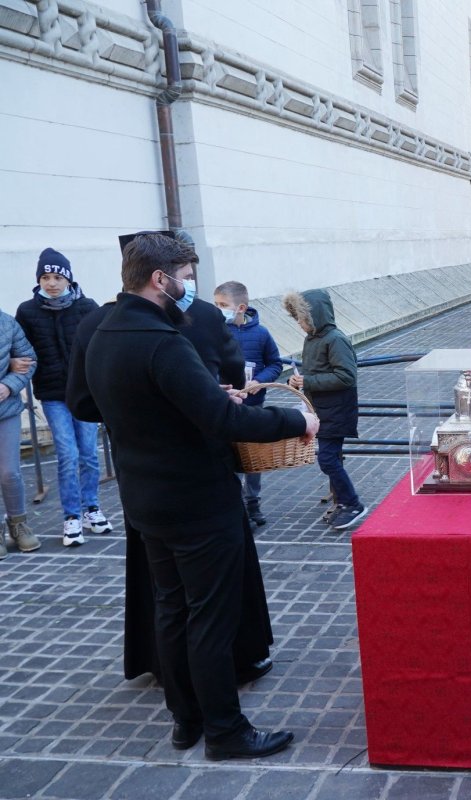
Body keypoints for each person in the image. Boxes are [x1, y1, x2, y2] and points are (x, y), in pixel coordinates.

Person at [78, 233, 315, 759]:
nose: (190, 288)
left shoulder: (103, 332)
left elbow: (147, 404)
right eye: (185, 277)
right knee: (210, 617)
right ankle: (225, 732)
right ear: (160, 279)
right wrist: (295, 418)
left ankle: (186, 721)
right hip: (196, 500)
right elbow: (223, 419)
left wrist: (209, 396)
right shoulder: (162, 341)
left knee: (173, 610)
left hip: (145, 499)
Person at [15, 248, 112, 547]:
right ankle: (71, 515)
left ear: (68, 278)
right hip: (54, 394)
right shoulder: (27, 311)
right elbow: (21, 348)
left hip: (85, 393)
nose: (52, 283)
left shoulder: (87, 307)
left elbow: (101, 347)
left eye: (57, 276)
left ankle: (91, 508)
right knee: (67, 455)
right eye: (45, 277)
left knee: (88, 453)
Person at [283, 289, 368, 531]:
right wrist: (299, 381)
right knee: (330, 458)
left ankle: (352, 503)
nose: (298, 324)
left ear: (313, 317)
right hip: (322, 410)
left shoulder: (335, 339)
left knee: (328, 458)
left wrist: (308, 381)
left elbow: (347, 376)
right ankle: (344, 502)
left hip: (336, 410)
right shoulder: (314, 338)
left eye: (300, 318)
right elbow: (316, 373)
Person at [214, 281, 283, 527]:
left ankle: (253, 503)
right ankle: (234, 506)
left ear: (241, 307)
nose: (218, 310)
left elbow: (275, 363)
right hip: (226, 405)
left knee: (253, 457)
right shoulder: (216, 332)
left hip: (254, 405)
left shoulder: (261, 334)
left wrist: (260, 381)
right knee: (229, 455)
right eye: (216, 305)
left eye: (223, 305)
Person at [0, 313, 37, 558]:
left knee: (9, 472)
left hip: (6, 410)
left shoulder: (6, 323)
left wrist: (8, 385)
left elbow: (29, 360)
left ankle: (18, 523)